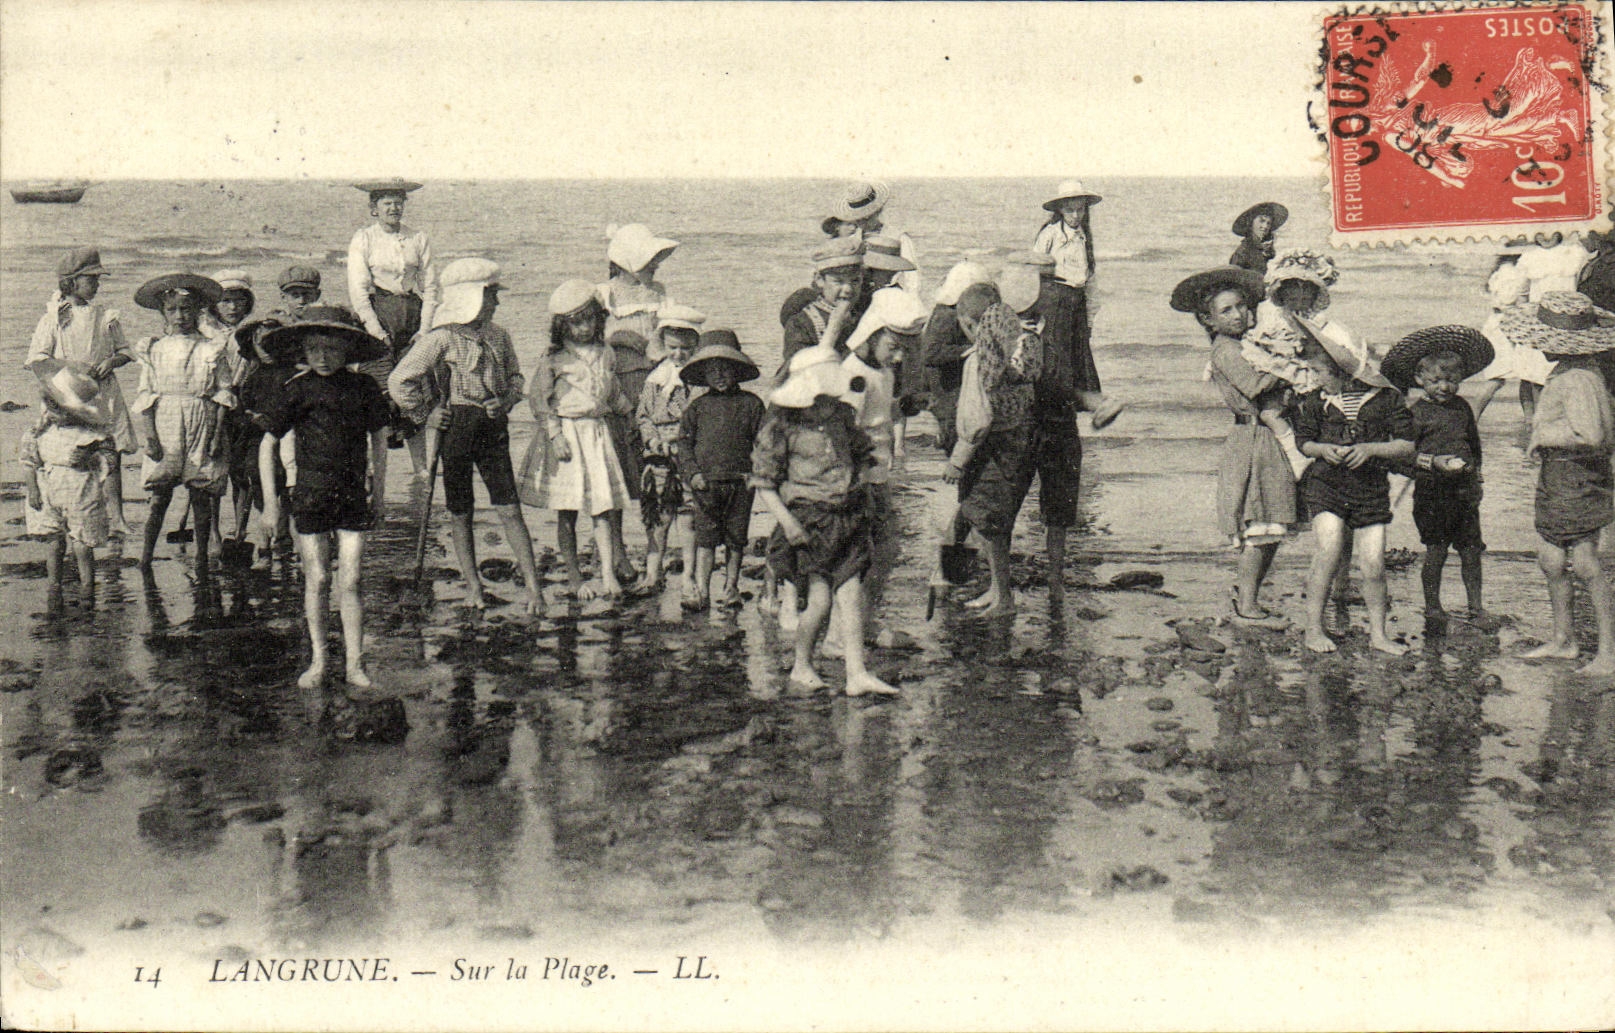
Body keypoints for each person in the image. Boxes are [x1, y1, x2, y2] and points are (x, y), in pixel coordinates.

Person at [389, 258, 544, 615]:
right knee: (460, 510)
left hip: (492, 427)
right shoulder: (441, 337)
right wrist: (426, 413)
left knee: (509, 507)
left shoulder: (499, 335)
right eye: (491, 296)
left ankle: (535, 589)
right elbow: (400, 380)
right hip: (455, 427)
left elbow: (517, 379)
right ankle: (473, 586)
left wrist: (504, 403)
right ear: (472, 297)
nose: (497, 304)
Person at [751, 344, 896, 696]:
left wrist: (863, 480)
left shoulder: (842, 418)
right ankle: (802, 665)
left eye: (833, 397)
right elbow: (765, 484)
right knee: (820, 599)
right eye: (821, 399)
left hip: (847, 514)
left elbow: (863, 453)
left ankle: (856, 672)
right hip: (809, 520)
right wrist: (787, 523)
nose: (828, 405)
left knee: (850, 593)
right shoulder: (783, 428)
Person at [257, 309, 391, 689]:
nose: (322, 356)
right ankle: (318, 659)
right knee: (316, 579)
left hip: (352, 495)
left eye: (331, 348)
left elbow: (379, 441)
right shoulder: (297, 387)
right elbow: (267, 444)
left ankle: (355, 663)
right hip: (310, 495)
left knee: (352, 580)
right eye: (314, 348)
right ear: (303, 350)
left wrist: (378, 494)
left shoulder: (364, 387)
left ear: (348, 349)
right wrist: (271, 504)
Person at [1171, 266, 1295, 626]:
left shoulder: (1242, 344)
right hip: (1253, 439)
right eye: (1226, 311)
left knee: (1271, 525)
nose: (1239, 314)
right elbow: (1256, 385)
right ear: (1208, 321)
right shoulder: (1225, 350)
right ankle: (1248, 606)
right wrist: (1292, 364)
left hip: (1263, 436)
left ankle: (1248, 596)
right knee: (1261, 524)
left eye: (1241, 306)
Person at [1505, 292, 1615, 676]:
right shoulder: (1571, 373)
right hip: (1560, 474)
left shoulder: (1579, 379)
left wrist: (1543, 438)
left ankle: (1608, 653)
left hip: (1577, 476)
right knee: (1551, 559)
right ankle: (1564, 639)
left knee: (1585, 563)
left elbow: (1593, 435)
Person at [1008, 257, 1125, 607]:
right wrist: (1093, 399)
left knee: (1004, 505)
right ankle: (1055, 581)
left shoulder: (1010, 317)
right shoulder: (1067, 299)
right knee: (1058, 509)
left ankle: (963, 576)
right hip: (1056, 422)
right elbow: (1077, 362)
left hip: (1025, 426)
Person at [1293, 321, 1416, 655]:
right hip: (1325, 486)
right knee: (1328, 550)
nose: (1316, 378)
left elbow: (1406, 445)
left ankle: (1379, 634)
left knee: (1374, 563)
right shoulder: (1316, 402)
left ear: (1343, 371)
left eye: (1320, 371)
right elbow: (1303, 441)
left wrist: (1371, 449)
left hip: (1370, 490)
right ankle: (1313, 629)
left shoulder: (1386, 399)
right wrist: (1321, 450)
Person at [1380, 327, 1496, 633]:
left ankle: (1476, 607)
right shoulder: (1415, 414)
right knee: (1437, 551)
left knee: (1471, 551)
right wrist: (1433, 464)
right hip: (1432, 494)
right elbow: (1401, 458)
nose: (1444, 386)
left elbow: (1474, 446)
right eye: (1436, 381)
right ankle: (1433, 607)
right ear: (1419, 380)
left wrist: (1479, 479)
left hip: (1465, 492)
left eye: (1451, 380)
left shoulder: (1463, 409)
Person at [522, 280, 632, 601]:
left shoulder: (606, 352)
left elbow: (612, 393)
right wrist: (554, 435)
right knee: (567, 511)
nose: (584, 328)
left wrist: (629, 414)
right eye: (575, 323)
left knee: (603, 508)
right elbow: (539, 400)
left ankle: (608, 573)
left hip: (596, 434)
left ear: (600, 318)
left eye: (590, 320)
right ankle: (573, 577)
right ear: (562, 326)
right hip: (567, 434)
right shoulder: (555, 358)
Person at [943, 282, 1043, 619]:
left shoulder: (979, 362)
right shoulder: (1020, 347)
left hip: (991, 450)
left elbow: (977, 418)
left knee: (989, 521)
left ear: (970, 324)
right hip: (1019, 444)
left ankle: (1003, 598)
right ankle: (997, 590)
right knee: (999, 520)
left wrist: (958, 460)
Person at [25, 248, 136, 537]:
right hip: (67, 393)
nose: (97, 284)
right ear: (71, 282)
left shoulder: (105, 315)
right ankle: (67, 509)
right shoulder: (53, 317)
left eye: (98, 279)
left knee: (110, 450)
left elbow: (125, 351)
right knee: (70, 451)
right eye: (91, 279)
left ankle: (117, 516)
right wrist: (69, 368)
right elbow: (36, 359)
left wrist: (111, 361)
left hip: (103, 387)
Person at [838, 288, 928, 641]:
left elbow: (881, 414)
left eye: (905, 348)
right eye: (894, 346)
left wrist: (906, 406)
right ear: (871, 336)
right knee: (869, 553)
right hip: (860, 479)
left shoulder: (880, 369)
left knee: (883, 549)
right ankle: (856, 627)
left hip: (877, 474)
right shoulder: (854, 376)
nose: (900, 356)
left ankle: (863, 621)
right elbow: (846, 432)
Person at [130, 273, 233, 574]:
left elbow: (221, 394)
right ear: (163, 312)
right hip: (166, 421)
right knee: (160, 493)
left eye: (186, 309)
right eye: (172, 309)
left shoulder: (211, 348)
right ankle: (146, 556)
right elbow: (146, 394)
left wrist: (215, 435)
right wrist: (149, 435)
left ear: (199, 311)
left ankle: (202, 555)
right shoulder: (154, 349)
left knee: (201, 491)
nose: (179, 316)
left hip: (201, 420)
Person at [346, 178, 436, 476]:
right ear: (374, 208)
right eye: (386, 203)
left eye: (398, 202)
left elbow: (431, 286)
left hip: (412, 315)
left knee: (415, 389)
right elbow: (358, 290)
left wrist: (424, 329)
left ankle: (421, 470)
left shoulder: (417, 238)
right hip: (378, 314)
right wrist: (376, 329)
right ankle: (373, 469)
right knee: (380, 390)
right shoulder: (364, 238)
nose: (393, 208)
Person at [678, 331, 765, 611]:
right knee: (705, 538)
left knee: (737, 537)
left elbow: (764, 442)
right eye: (712, 371)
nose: (719, 376)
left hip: (740, 482)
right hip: (706, 483)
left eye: (725, 369)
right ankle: (702, 589)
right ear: (703, 375)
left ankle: (730, 587)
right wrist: (692, 474)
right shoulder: (697, 407)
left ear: (737, 371)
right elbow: (684, 444)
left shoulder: (752, 404)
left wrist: (758, 474)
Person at [20, 366, 113, 608]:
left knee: (82, 542)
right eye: (50, 407)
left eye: (59, 409)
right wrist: (33, 490)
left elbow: (109, 459)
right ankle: (54, 583)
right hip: (49, 487)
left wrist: (91, 456)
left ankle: (87, 584)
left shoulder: (91, 434)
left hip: (81, 489)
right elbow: (29, 462)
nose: (52, 414)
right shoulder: (39, 432)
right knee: (54, 540)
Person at [635, 304, 706, 595]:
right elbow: (643, 416)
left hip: (688, 454)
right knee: (659, 516)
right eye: (673, 347)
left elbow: (700, 417)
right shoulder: (655, 379)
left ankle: (688, 575)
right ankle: (654, 572)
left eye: (686, 348)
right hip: (658, 456)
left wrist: (681, 440)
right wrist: (652, 440)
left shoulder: (698, 381)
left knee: (688, 517)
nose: (679, 354)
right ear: (663, 344)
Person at [1032, 179, 1101, 376]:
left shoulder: (1084, 237)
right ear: (1061, 209)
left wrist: (1089, 321)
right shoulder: (1050, 234)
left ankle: (1078, 403)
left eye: (1080, 209)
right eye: (1070, 210)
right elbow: (1034, 270)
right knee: (1055, 358)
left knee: (1080, 360)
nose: (1075, 215)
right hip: (1055, 303)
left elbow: (1090, 282)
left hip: (1078, 304)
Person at [922, 261, 991, 456]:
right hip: (946, 385)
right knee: (955, 429)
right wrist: (968, 350)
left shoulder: (948, 310)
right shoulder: (947, 314)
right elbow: (930, 353)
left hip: (948, 381)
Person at [781, 238, 864, 371]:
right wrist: (834, 327)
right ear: (820, 280)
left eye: (855, 281)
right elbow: (799, 373)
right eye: (839, 281)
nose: (848, 289)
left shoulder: (865, 316)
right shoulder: (801, 323)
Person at [601, 223, 680, 361]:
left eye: (655, 259)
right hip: (619, 372)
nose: (655, 265)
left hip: (656, 369)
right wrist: (615, 338)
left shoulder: (658, 292)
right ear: (627, 260)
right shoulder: (606, 294)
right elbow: (587, 340)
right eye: (649, 260)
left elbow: (673, 334)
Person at [1228, 202, 1288, 274]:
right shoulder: (1242, 252)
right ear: (1251, 223)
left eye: (1268, 223)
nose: (1265, 226)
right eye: (1261, 221)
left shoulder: (1268, 250)